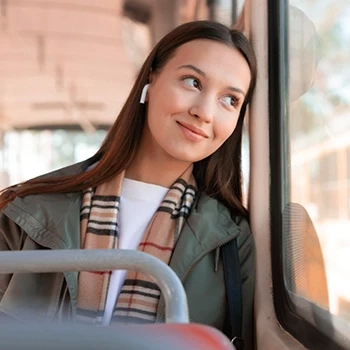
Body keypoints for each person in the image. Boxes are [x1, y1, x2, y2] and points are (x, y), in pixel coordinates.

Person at [0, 20, 257, 349]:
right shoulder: (26, 210)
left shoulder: (233, 242)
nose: (204, 112)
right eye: (193, 82)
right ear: (151, 78)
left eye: (230, 100)